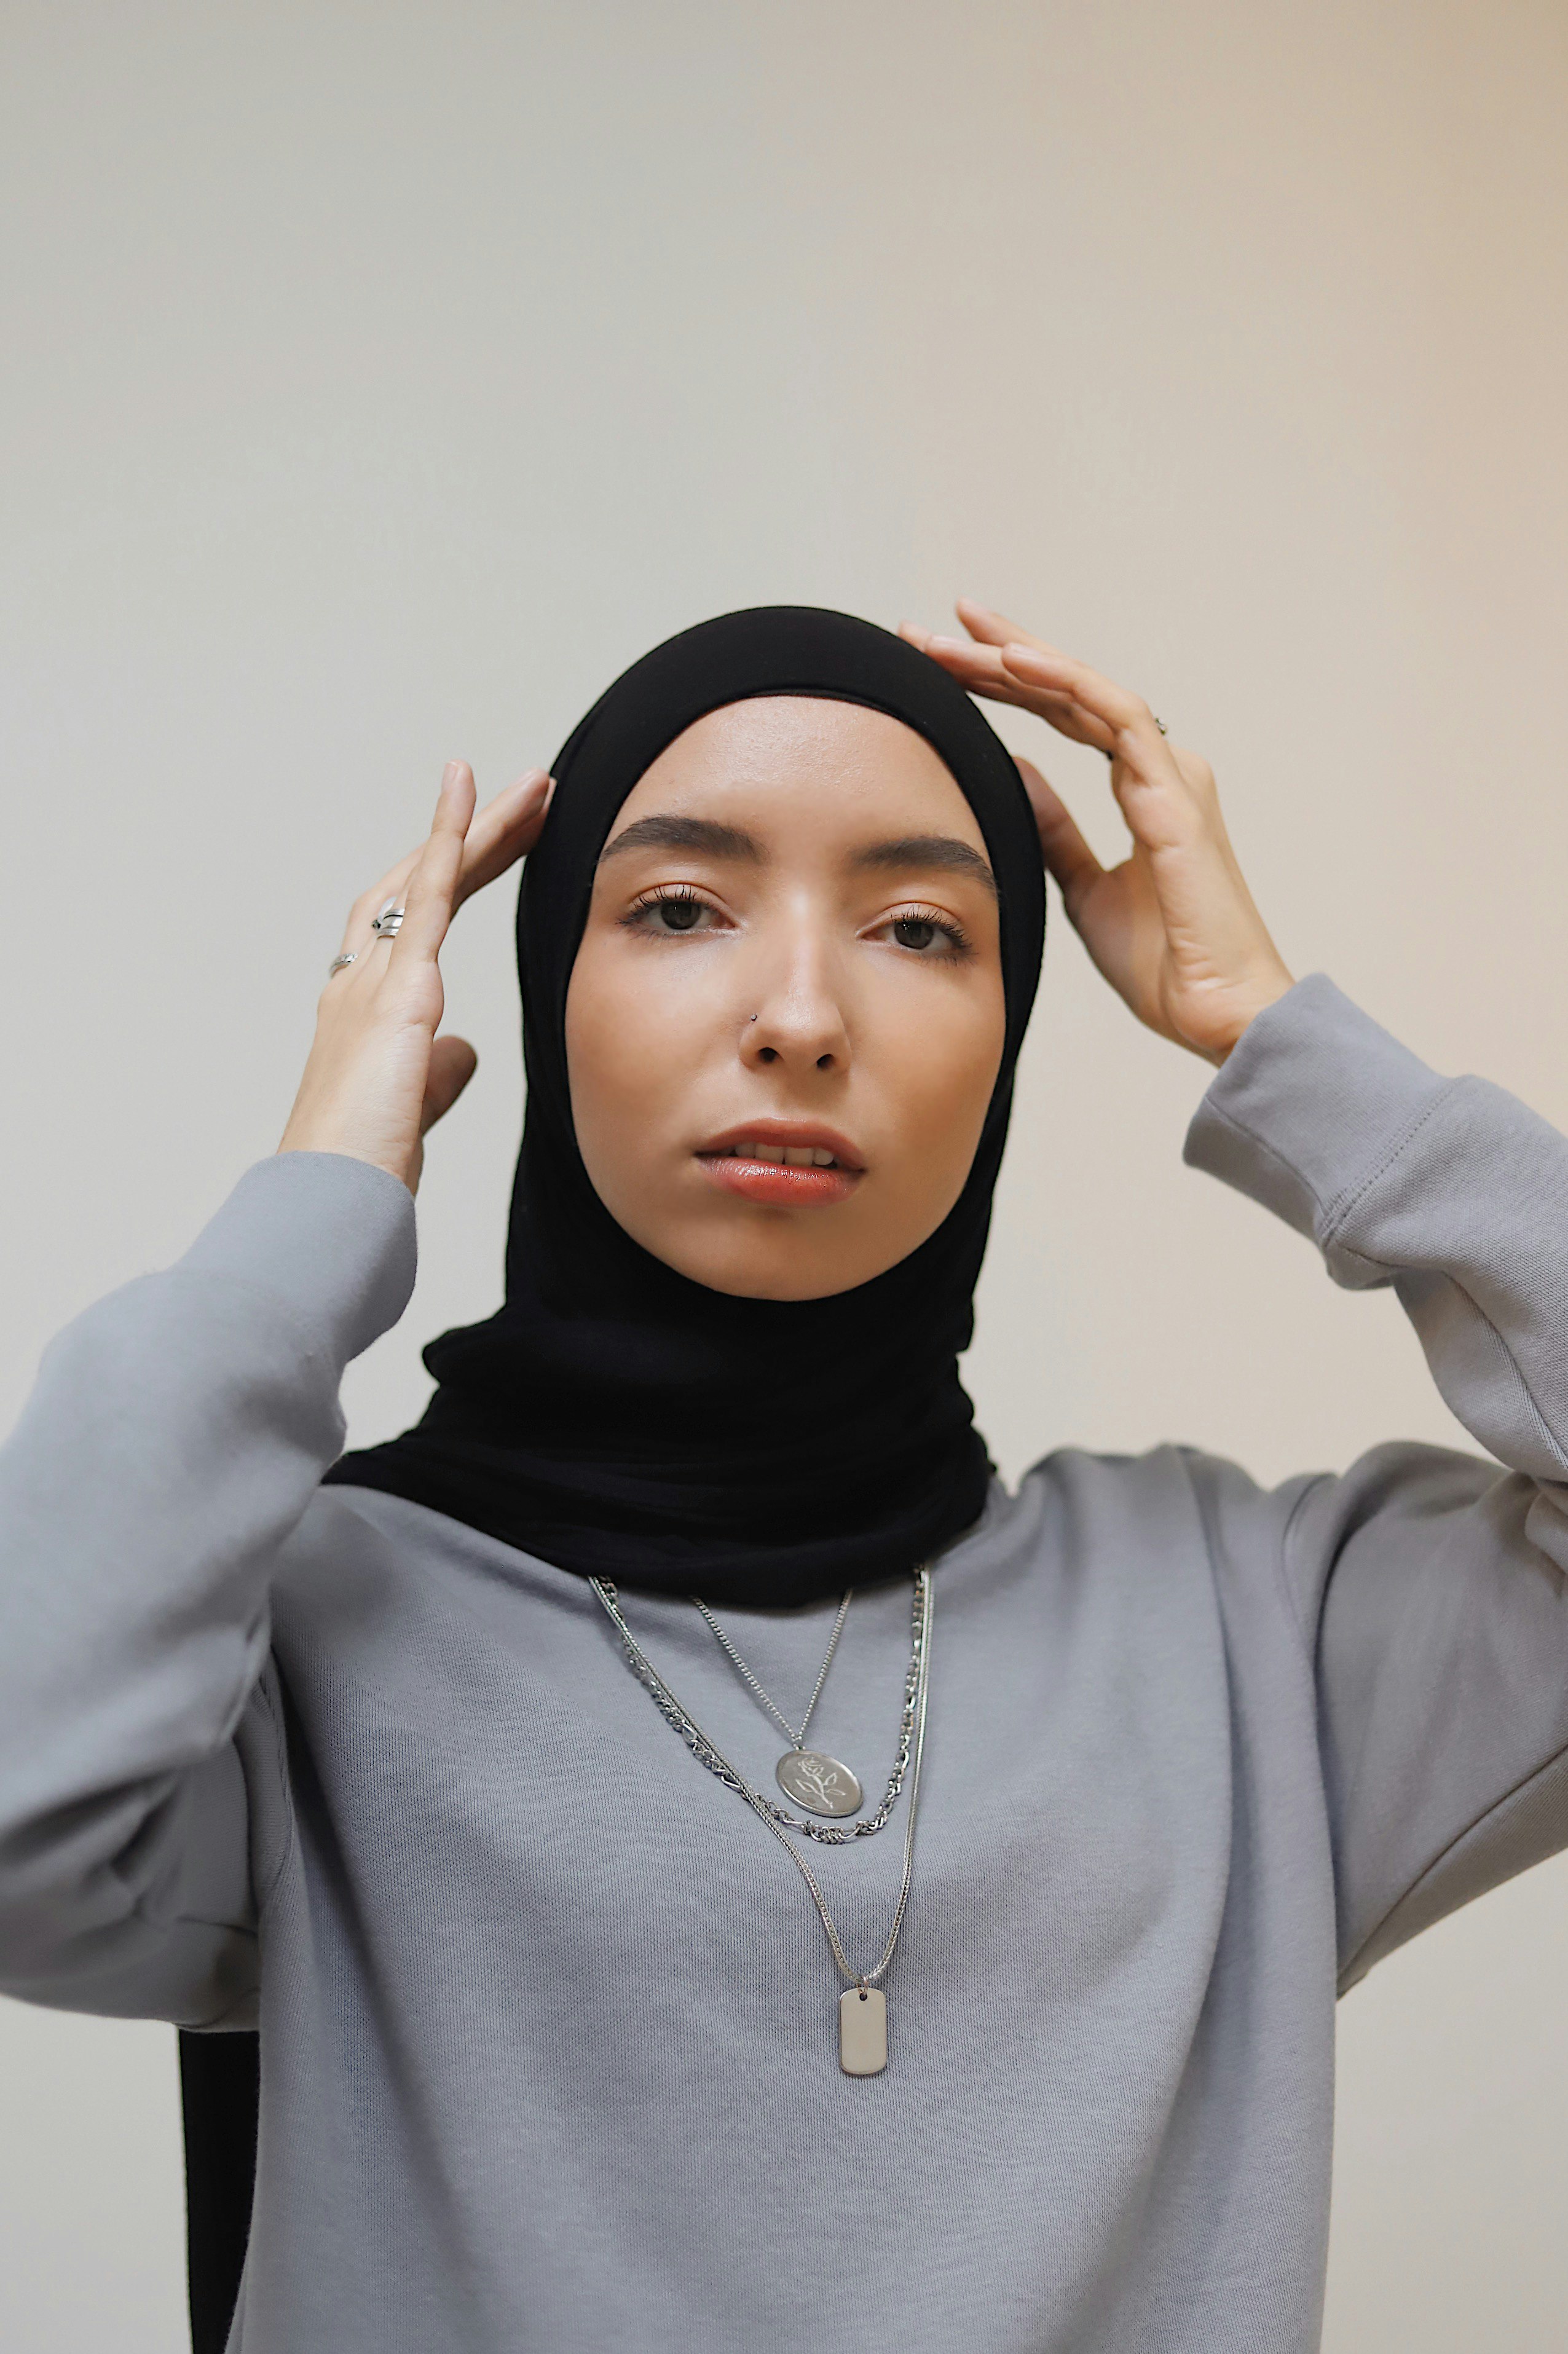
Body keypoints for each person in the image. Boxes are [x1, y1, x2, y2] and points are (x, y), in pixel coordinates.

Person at [2, 600, 1566, 2354]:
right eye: (678, 908)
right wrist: (317, 1198)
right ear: (539, 992)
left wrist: (1278, 1038)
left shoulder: (1248, 1635)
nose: (804, 1014)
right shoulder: (294, 1635)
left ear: (1015, 1025)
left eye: (920, 929)